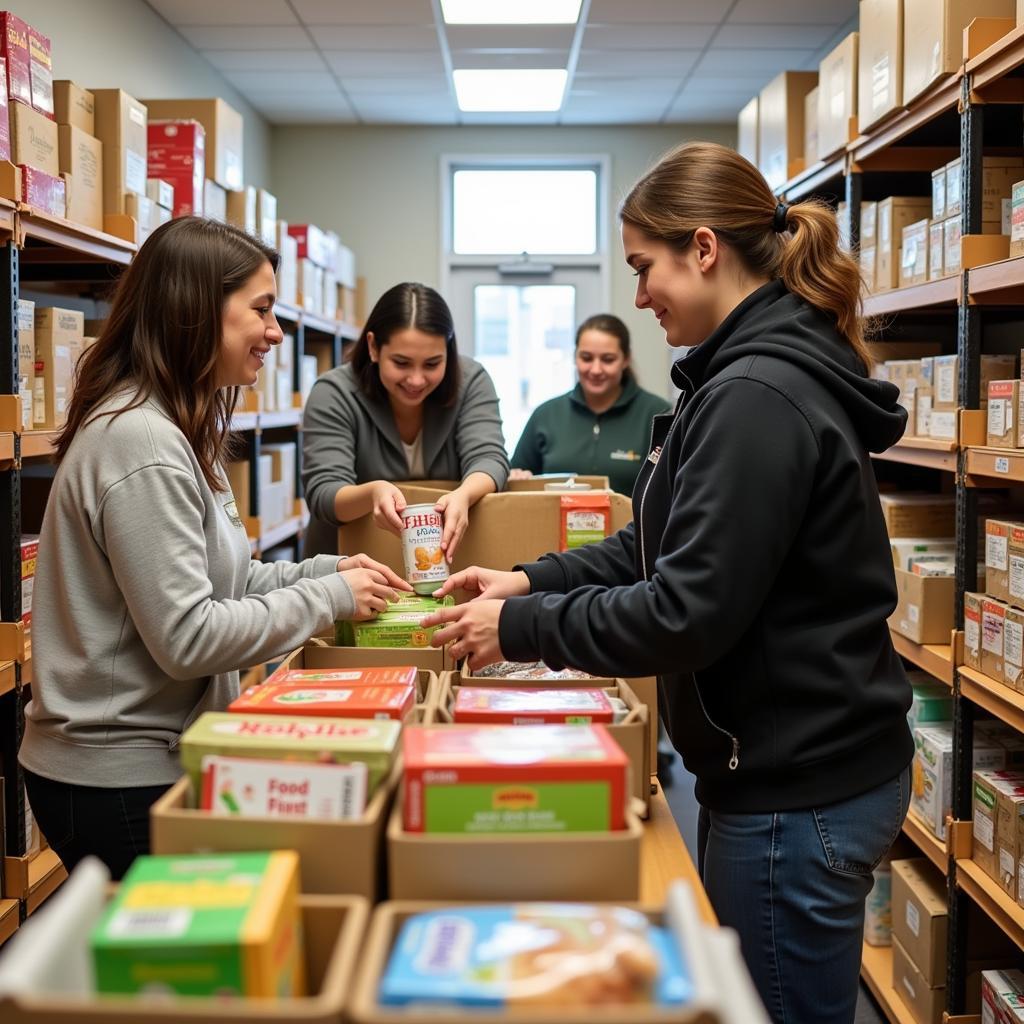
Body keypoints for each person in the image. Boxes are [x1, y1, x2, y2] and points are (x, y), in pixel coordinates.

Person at [423, 141, 912, 1024]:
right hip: (790, 769)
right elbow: (651, 549)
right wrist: (524, 582)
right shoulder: (733, 379)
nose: (639, 295)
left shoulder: (756, 396)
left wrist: (523, 631)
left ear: (703, 248)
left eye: (645, 268)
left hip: (797, 790)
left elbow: (688, 611)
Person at [19, 217, 409, 879]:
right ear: (196, 312)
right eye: (260, 309)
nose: (276, 332)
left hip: (154, 758)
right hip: (116, 779)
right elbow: (189, 637)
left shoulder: (178, 428)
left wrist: (327, 571)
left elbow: (223, 584)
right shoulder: (143, 443)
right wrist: (328, 598)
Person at [301, 282, 509, 560]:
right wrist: (372, 492)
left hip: (447, 563)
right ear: (373, 347)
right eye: (401, 363)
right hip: (350, 567)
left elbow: (489, 458)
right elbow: (324, 493)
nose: (416, 379)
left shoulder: (471, 381)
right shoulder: (333, 392)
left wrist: (465, 494)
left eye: (433, 364)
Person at [510, 314, 671, 495]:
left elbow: (671, 489)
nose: (595, 370)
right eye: (586, 358)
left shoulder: (659, 415)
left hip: (634, 524)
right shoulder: (546, 415)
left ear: (625, 359)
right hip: (553, 523)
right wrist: (516, 477)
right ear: (575, 357)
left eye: (608, 359)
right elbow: (516, 477)